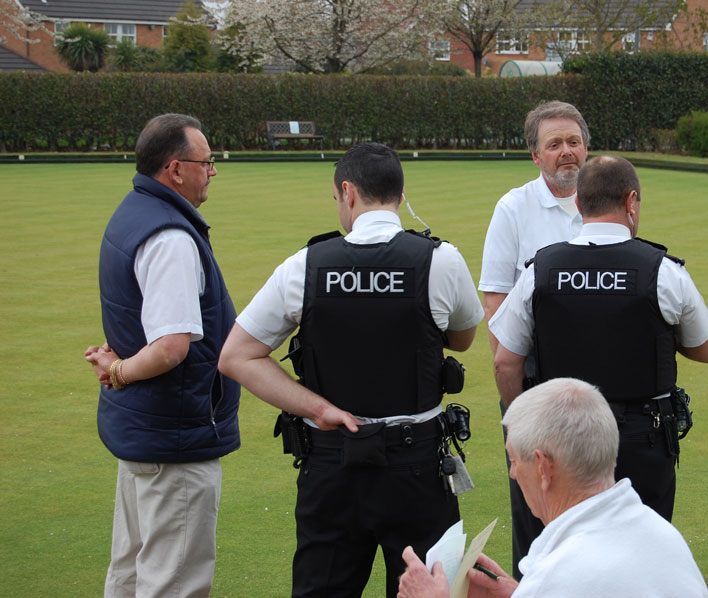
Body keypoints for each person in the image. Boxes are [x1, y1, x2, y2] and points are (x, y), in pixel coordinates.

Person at [217, 142, 484, 598]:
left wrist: (317, 408)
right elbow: (462, 338)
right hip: (417, 466)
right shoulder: (442, 259)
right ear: (401, 196)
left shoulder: (304, 266)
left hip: (332, 462)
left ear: (347, 192)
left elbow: (235, 356)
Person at [491, 155, 708, 538]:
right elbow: (706, 349)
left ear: (578, 204)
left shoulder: (540, 271)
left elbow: (505, 362)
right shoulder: (662, 270)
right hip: (642, 437)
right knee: (641, 551)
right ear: (631, 202)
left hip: (560, 434)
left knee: (561, 550)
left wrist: (522, 426)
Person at [83, 113, 241, 598]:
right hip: (174, 438)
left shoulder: (133, 210)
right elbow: (172, 346)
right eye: (206, 162)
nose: (212, 171)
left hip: (146, 432)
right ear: (175, 170)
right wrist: (119, 370)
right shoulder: (172, 237)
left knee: (131, 572)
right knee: (173, 583)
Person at [397, 378, 708, 598]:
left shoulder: (561, 574)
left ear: (544, 468)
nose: (513, 473)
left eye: (514, 460)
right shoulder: (659, 533)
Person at [479, 100, 590, 578]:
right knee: (536, 526)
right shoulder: (514, 208)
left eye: (574, 142)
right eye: (555, 144)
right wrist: (515, 406)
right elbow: (495, 307)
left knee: (594, 519)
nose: (567, 152)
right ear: (535, 156)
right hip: (535, 391)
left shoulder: (608, 197)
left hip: (602, 393)